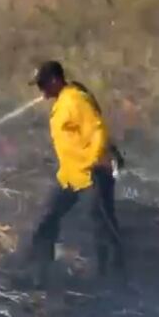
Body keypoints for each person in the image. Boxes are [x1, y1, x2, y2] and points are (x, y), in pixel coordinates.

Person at [27, 60, 126, 287]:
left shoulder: (75, 100)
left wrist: (92, 162)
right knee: (47, 219)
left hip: (91, 175)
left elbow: (98, 129)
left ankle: (113, 281)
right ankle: (39, 274)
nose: (40, 91)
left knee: (102, 228)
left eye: (42, 84)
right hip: (69, 176)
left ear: (55, 80)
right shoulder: (62, 102)